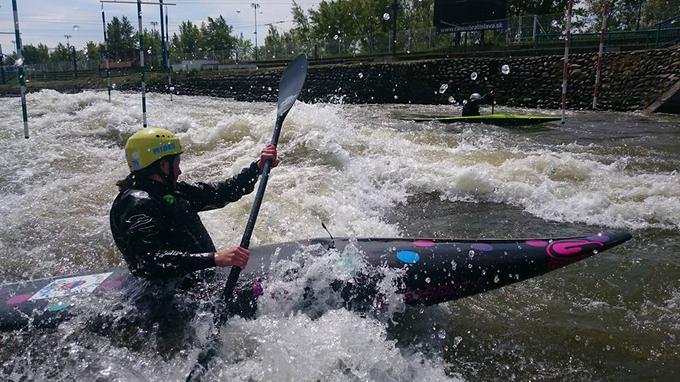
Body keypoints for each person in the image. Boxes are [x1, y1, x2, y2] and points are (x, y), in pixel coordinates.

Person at [110, 127, 278, 280]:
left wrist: (257, 167)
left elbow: (219, 193)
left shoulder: (166, 190)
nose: (179, 171)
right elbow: (149, 261)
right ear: (162, 165)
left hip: (196, 279)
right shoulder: (135, 205)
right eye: (176, 164)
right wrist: (214, 259)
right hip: (174, 296)